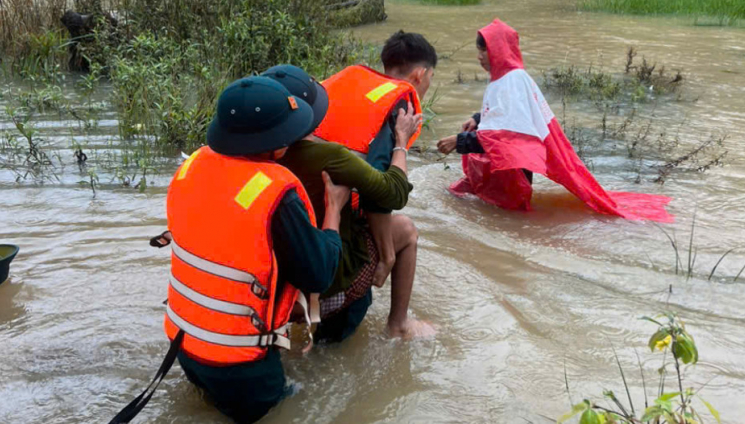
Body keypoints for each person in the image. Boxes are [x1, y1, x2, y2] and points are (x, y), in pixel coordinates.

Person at [110, 77, 350, 424]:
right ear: (277, 144)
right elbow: (319, 273)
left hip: (184, 344)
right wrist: (334, 210)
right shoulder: (275, 194)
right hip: (241, 366)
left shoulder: (191, 167)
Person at [438, 19, 673, 222]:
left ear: (499, 49)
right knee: (467, 198)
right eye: (478, 50)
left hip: (513, 165)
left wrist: (458, 141)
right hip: (506, 162)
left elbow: (504, 137)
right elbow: (504, 114)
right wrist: (477, 118)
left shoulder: (512, 79)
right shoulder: (504, 78)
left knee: (510, 217)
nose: (479, 56)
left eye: (485, 50)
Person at [263, 64, 435, 341]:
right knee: (406, 229)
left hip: (267, 284)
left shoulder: (245, 158)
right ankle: (398, 324)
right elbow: (393, 194)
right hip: (322, 283)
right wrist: (401, 141)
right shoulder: (331, 157)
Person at [314, 31, 436, 288]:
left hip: (306, 201)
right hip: (340, 216)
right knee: (407, 232)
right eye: (430, 79)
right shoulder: (400, 103)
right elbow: (378, 186)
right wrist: (386, 254)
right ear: (420, 75)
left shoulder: (349, 78)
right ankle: (398, 326)